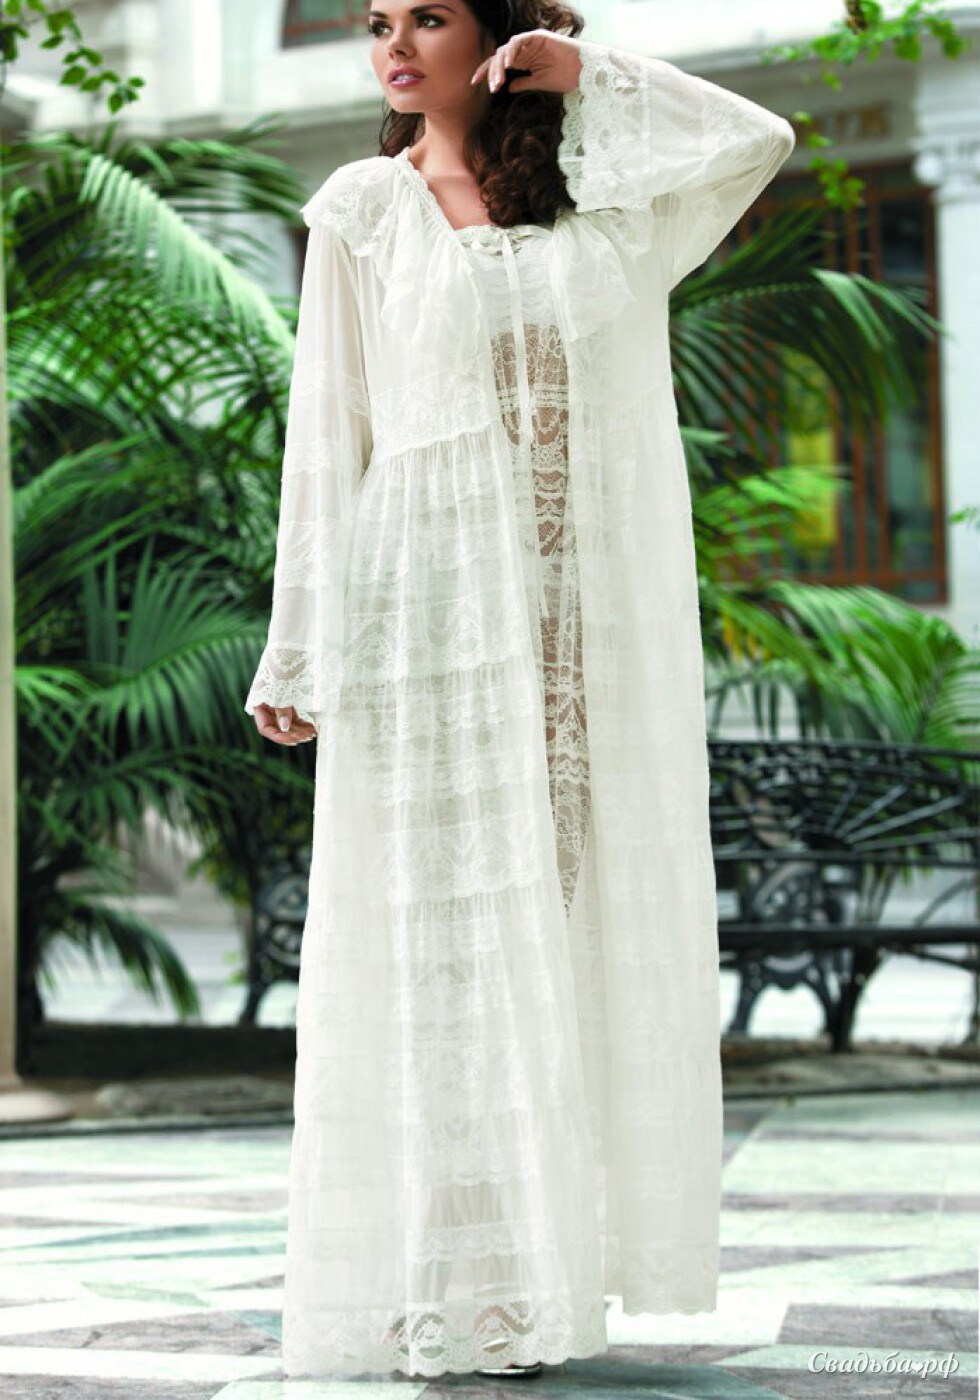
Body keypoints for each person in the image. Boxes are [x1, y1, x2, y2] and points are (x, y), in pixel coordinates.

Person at [245, 0, 795, 1381]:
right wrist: (300, 645)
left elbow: (757, 140)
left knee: (564, 933)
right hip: (426, 618)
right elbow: (328, 435)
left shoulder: (602, 214)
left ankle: (542, 1280)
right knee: (440, 950)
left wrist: (589, 73)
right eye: (378, 22)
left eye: (429, 16)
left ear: (499, 35)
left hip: (581, 630)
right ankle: (448, 1286)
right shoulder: (365, 209)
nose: (393, 44)